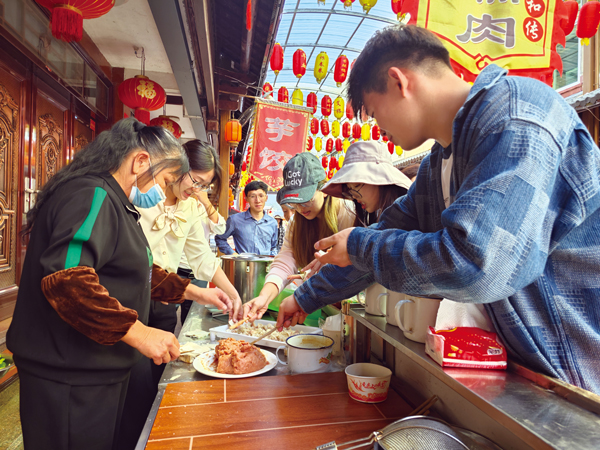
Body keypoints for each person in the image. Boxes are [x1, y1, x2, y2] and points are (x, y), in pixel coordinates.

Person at [276, 24, 600, 395]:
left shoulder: (517, 116)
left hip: (579, 374)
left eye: (374, 113)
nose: (378, 129)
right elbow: (379, 240)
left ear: (399, 82)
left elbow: (477, 265)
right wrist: (305, 297)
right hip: (533, 371)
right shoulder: (437, 165)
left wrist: (359, 246)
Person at [7, 118, 232, 450]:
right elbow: (67, 280)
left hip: (95, 367)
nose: (163, 190)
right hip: (69, 372)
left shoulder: (116, 201)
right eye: (165, 179)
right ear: (140, 161)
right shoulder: (93, 195)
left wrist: (195, 291)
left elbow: (133, 269)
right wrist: (141, 333)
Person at [119, 139, 243, 450]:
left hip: (163, 299)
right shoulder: (144, 194)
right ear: (176, 167)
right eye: (195, 181)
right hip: (126, 303)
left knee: (154, 381)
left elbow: (202, 258)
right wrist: (198, 293)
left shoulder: (191, 207)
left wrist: (232, 293)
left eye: (204, 186)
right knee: (129, 383)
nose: (196, 190)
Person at [243, 152, 355, 321]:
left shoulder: (349, 213)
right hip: (322, 306)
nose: (301, 208)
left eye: (306, 199)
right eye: (294, 202)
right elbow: (285, 261)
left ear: (324, 190)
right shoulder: (296, 222)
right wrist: (264, 297)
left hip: (352, 308)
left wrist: (304, 298)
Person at [321, 140, 412, 227]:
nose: (354, 196)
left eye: (357, 185)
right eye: (350, 189)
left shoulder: (407, 216)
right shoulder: (383, 217)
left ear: (379, 180)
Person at [215, 180, 278, 255]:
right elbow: (220, 238)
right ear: (246, 198)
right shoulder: (235, 220)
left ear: (266, 198)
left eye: (261, 196)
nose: (257, 200)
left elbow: (274, 247)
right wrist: (233, 254)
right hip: (243, 262)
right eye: (252, 196)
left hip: (266, 262)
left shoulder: (272, 223)